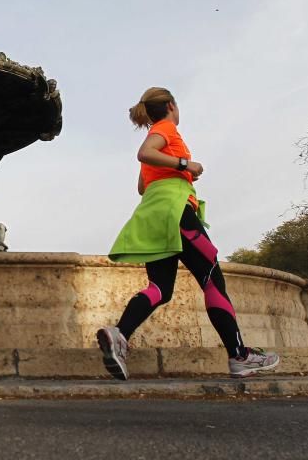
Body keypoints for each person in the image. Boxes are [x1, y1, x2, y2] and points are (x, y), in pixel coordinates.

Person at [97, 87, 280, 380]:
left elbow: (143, 187)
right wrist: (186, 165)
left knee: (160, 288)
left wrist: (174, 170)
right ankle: (239, 356)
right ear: (171, 105)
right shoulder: (166, 127)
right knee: (212, 282)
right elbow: (144, 152)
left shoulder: (158, 142)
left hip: (153, 214)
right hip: (176, 212)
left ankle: (119, 333)